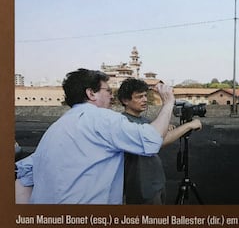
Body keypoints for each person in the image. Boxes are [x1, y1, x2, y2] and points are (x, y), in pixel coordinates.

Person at [15, 68, 175, 204]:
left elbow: (25, 176)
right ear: (91, 93)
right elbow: (152, 140)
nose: (112, 97)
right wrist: (168, 102)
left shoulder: (57, 127)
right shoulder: (102, 118)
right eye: (108, 91)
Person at [117, 78, 202, 204]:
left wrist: (165, 129)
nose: (145, 100)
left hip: (155, 182)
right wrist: (188, 126)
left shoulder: (143, 121)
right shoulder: (124, 122)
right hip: (142, 187)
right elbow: (160, 142)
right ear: (125, 100)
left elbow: (156, 135)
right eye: (139, 97)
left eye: (145, 96)